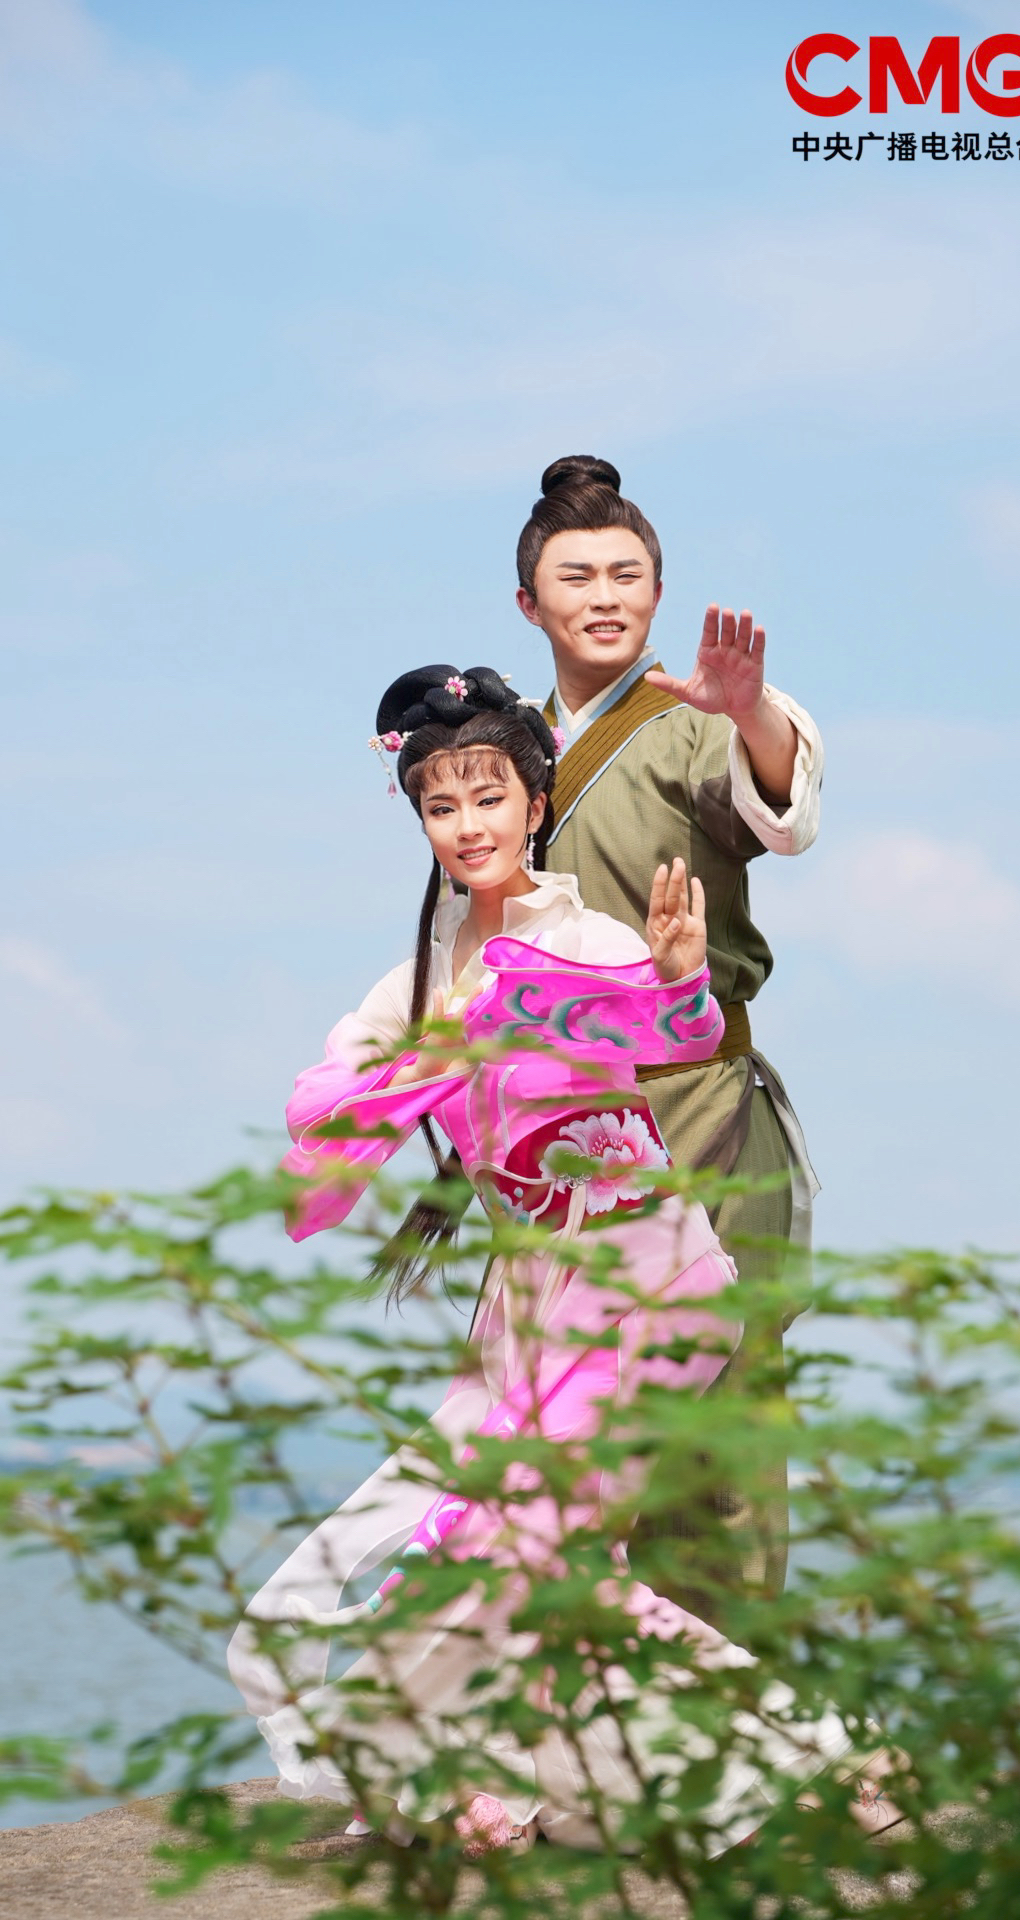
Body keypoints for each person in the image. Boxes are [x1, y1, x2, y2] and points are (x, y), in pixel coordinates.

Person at [227, 666, 863, 1857]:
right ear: (420, 818)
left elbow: (667, 1029)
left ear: (535, 801)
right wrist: (411, 1065)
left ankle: (819, 1754)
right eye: (441, 806)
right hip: (531, 1301)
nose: (468, 827)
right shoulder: (422, 971)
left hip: (641, 1281)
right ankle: (525, 1780)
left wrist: (678, 977)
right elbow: (328, 1096)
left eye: (490, 798)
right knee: (432, 1569)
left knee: (531, 1551)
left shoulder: (580, 934)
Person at [515, 456, 824, 1602]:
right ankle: (585, 1692)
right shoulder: (509, 747)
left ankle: (731, 1693)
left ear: (655, 591)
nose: (604, 594)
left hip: (689, 1087)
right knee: (563, 1399)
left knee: (724, 1392)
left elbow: (780, 811)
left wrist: (748, 711)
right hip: (551, 1110)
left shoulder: (693, 720)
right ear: (530, 603)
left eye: (627, 573)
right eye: (577, 574)